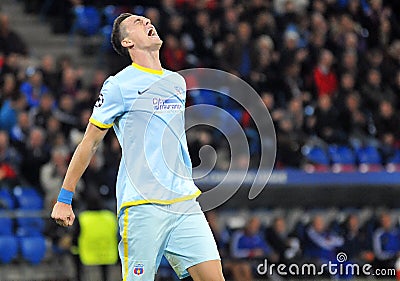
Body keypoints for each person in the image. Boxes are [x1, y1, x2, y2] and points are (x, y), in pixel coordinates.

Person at [51, 13, 224, 281]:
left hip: (183, 202)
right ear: (128, 42)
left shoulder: (176, 82)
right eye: (137, 23)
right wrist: (65, 197)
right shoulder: (119, 85)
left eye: (147, 20)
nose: (147, 22)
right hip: (142, 205)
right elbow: (90, 142)